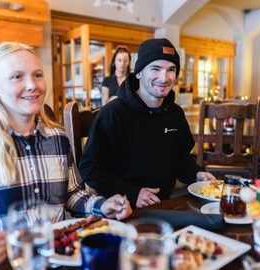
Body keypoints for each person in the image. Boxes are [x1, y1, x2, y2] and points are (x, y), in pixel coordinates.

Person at [0, 42, 132, 267]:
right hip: (3, 263)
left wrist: (102, 205)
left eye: (37, 75)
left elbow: (72, 195)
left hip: (58, 258)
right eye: (17, 77)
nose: (32, 85)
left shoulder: (58, 139)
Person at [79, 38, 215, 209]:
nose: (164, 78)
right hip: (122, 207)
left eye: (171, 70)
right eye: (155, 69)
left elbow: (181, 160)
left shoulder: (175, 114)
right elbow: (90, 167)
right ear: (139, 72)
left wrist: (197, 174)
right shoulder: (113, 113)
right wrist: (131, 193)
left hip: (166, 204)